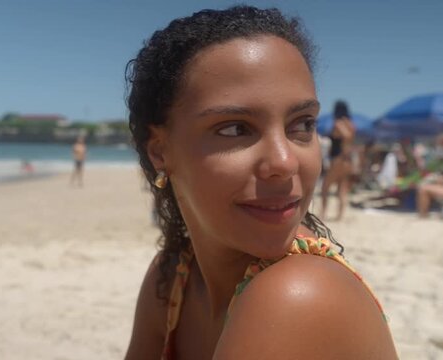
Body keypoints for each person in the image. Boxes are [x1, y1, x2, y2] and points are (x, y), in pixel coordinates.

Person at [124, 6, 397, 359]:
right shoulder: (175, 274)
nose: (284, 163)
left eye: (302, 125)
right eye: (236, 129)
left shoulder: (296, 294)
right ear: (160, 151)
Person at [320, 100, 356, 221]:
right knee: (342, 188)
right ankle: (339, 216)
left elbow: (346, 137)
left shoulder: (338, 123)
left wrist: (343, 151)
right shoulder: (351, 124)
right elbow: (350, 138)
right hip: (348, 160)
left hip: (338, 158)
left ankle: (323, 214)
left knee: (325, 187)